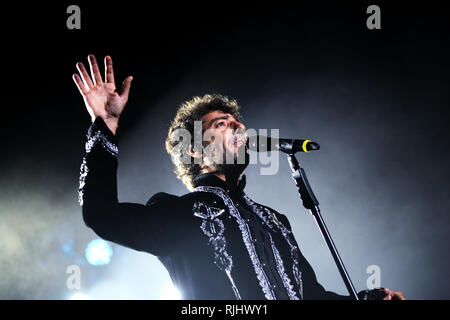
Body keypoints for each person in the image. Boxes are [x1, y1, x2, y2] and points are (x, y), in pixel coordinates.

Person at [73, 54, 405, 300]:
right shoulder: (179, 213)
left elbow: (312, 296)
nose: (239, 126)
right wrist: (105, 125)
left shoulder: (275, 221)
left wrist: (368, 299)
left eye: (238, 122)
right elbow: (102, 215)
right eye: (221, 123)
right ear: (193, 150)